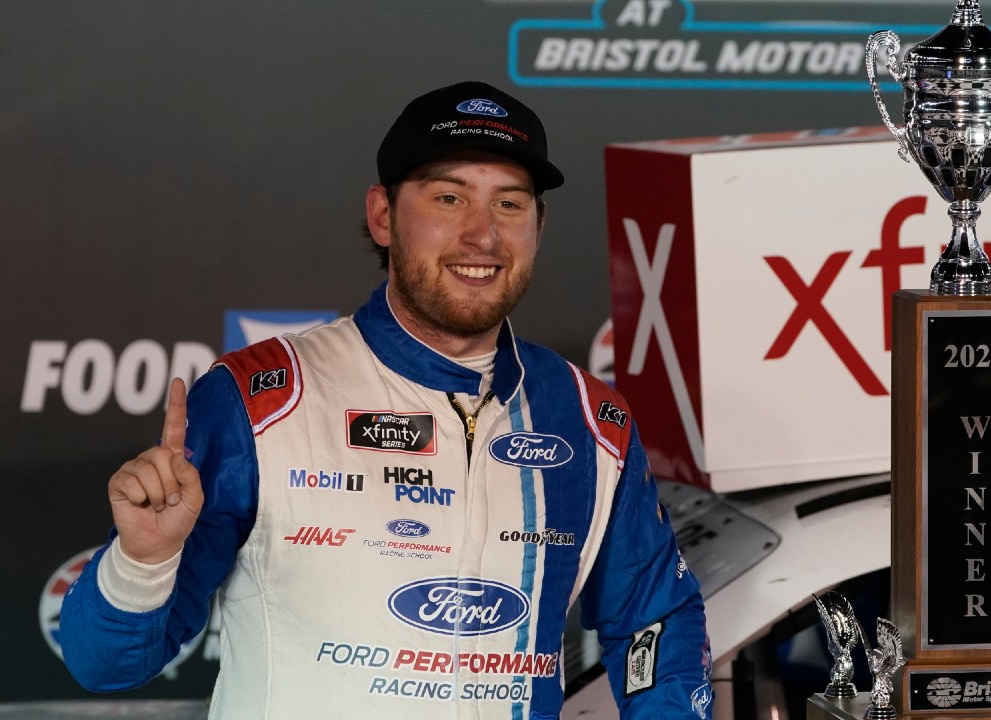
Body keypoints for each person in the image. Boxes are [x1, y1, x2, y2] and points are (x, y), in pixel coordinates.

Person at [59, 80, 714, 720]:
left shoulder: (591, 420)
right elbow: (105, 664)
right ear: (382, 215)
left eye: (510, 204)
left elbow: (655, 621)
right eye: (449, 198)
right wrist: (142, 562)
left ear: (539, 226)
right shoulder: (261, 399)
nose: (482, 236)